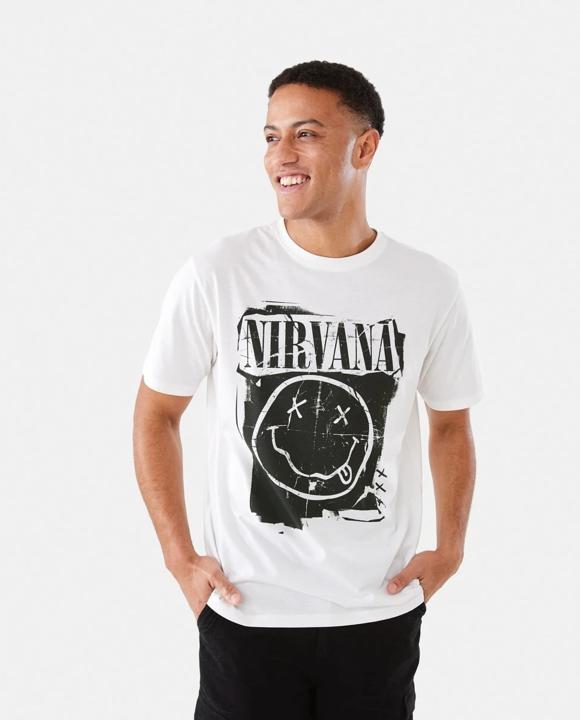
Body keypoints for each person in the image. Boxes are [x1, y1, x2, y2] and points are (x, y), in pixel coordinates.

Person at [133, 59, 483, 720]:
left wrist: (452, 547)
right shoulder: (219, 273)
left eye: (306, 134)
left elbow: (449, 424)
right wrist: (179, 557)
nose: (281, 155)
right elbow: (157, 412)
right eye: (271, 136)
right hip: (246, 613)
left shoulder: (428, 285)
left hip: (377, 615)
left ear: (365, 147)